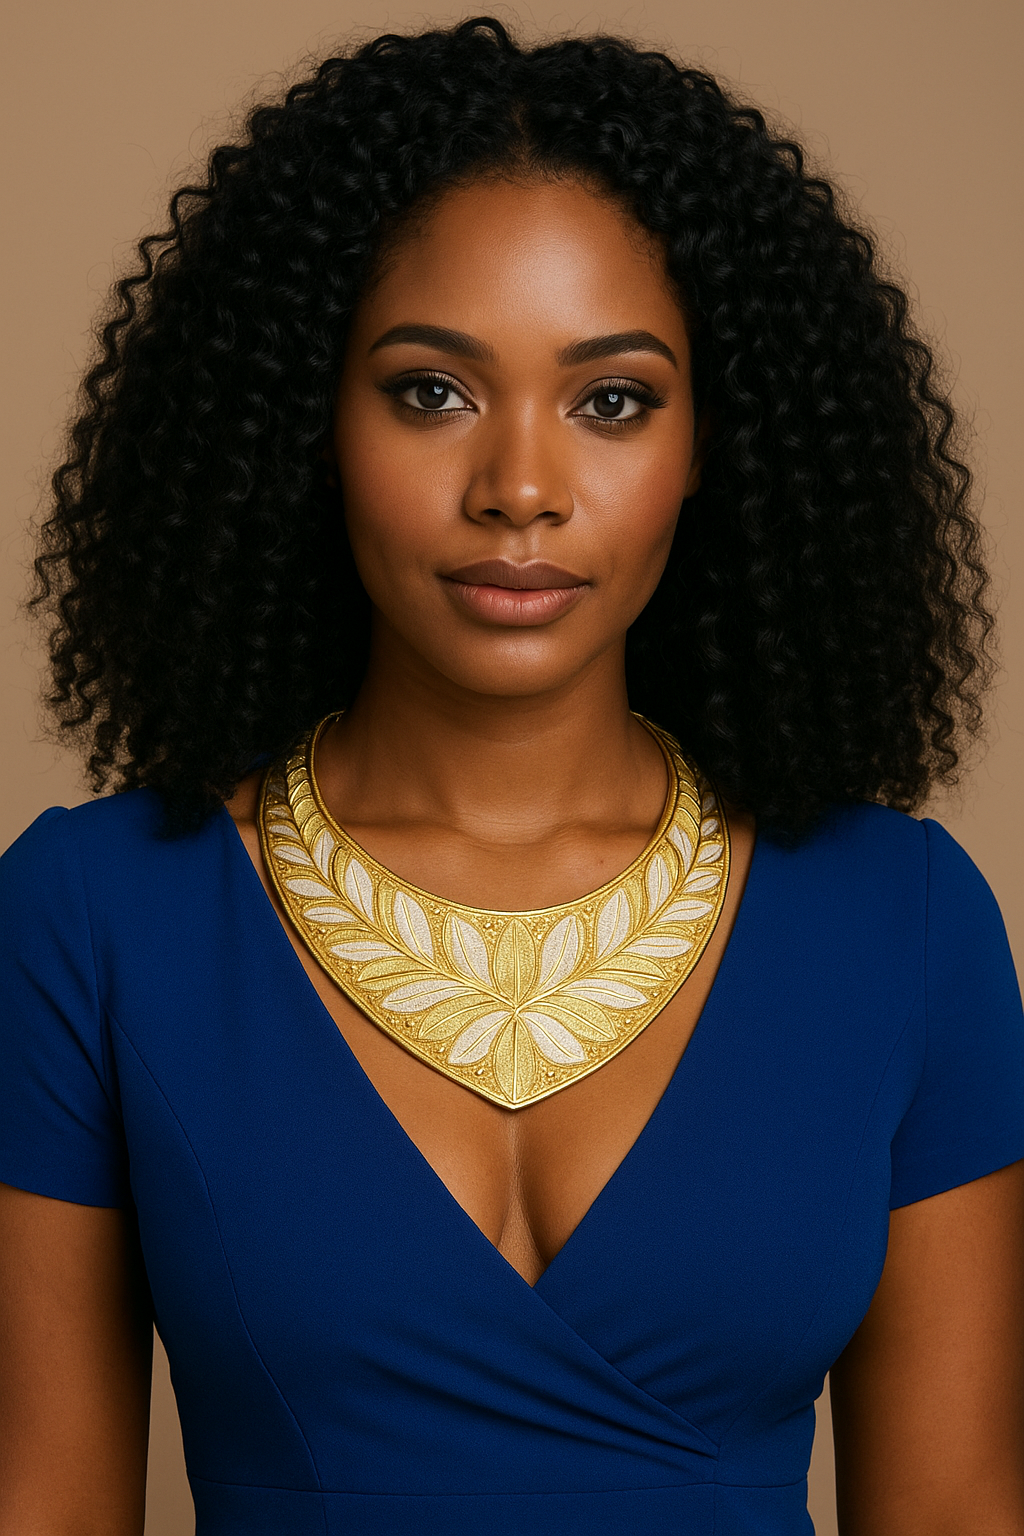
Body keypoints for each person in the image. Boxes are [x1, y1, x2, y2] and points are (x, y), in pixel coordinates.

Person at [1, 16, 1021, 1535]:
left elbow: (954, 1513)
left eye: (613, 399)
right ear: (309, 423)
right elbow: (45, 1505)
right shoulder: (90, 917)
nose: (522, 489)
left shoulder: (907, 926)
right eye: (432, 391)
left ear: (709, 447)